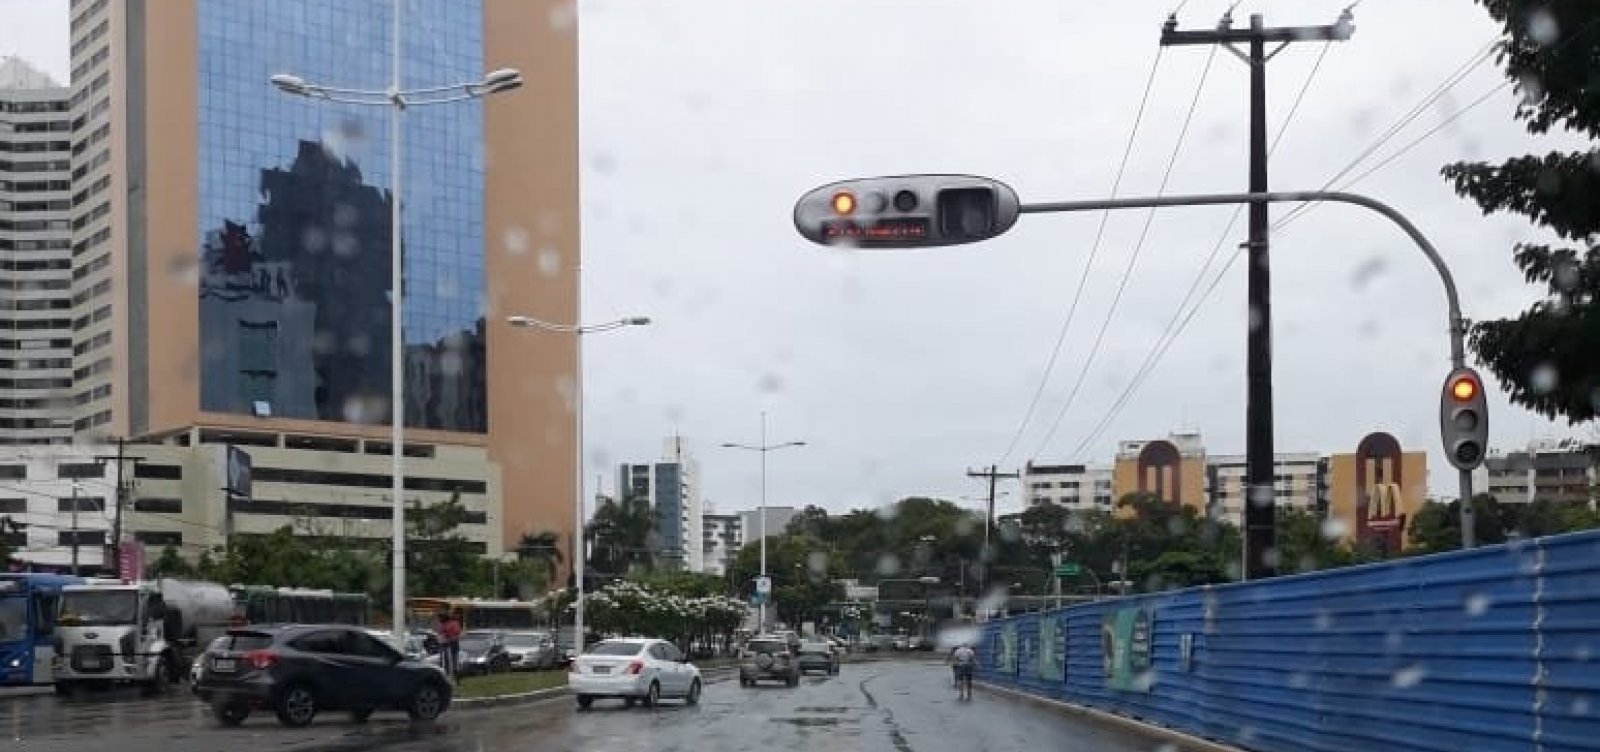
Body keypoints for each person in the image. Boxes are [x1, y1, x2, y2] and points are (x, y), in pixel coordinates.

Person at [437, 610, 463, 682]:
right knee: (444, 661)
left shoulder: (453, 623)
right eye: (439, 618)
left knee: (454, 662)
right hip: (444, 644)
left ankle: (456, 677)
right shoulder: (441, 624)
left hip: (453, 644)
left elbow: (457, 632)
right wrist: (442, 635)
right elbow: (439, 632)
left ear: (445, 617)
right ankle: (445, 677)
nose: (440, 619)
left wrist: (449, 634)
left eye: (441, 618)